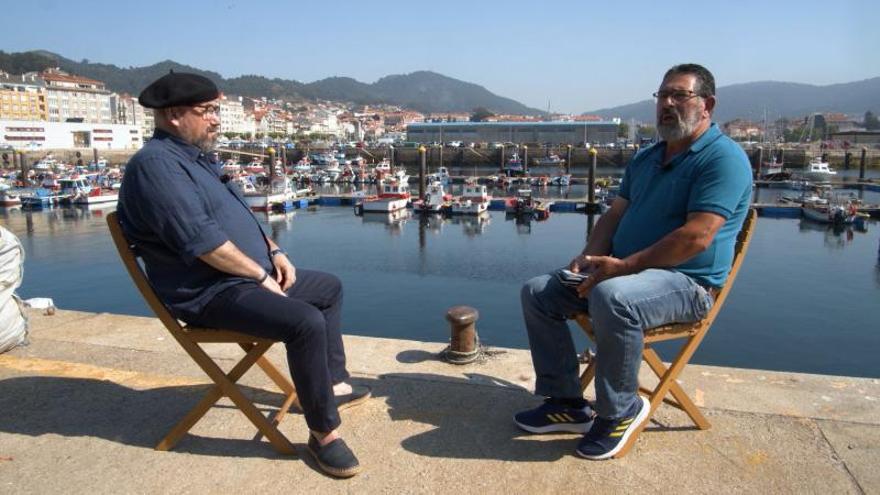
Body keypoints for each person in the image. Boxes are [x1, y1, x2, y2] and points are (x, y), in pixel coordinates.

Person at [117, 72, 368, 478]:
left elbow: (237, 218)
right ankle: (324, 434)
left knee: (327, 289)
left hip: (242, 278)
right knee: (305, 321)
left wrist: (275, 250)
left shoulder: (196, 158)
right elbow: (203, 243)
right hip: (207, 292)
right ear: (175, 115)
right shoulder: (156, 167)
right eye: (208, 111)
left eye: (216, 109)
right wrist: (258, 275)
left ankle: (331, 386)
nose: (217, 119)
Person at [514, 64, 752, 460]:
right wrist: (588, 258)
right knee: (539, 292)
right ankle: (567, 403)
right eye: (662, 96)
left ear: (707, 104)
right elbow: (613, 216)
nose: (668, 104)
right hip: (620, 274)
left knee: (613, 298)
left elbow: (698, 236)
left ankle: (620, 412)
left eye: (680, 96)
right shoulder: (646, 158)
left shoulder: (722, 159)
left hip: (686, 284)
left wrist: (624, 268)